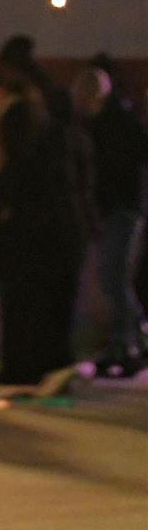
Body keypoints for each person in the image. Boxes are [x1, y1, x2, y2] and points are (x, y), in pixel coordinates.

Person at [0, 61, 92, 398]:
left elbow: (16, 170)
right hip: (46, 227)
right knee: (36, 299)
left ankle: (29, 368)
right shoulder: (34, 121)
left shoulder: (14, 119)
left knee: (27, 298)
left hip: (35, 228)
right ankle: (37, 365)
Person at [71, 66, 148, 377]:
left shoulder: (110, 127)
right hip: (121, 208)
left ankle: (130, 338)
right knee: (112, 277)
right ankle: (129, 339)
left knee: (112, 277)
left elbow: (111, 172)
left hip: (119, 209)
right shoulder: (119, 123)